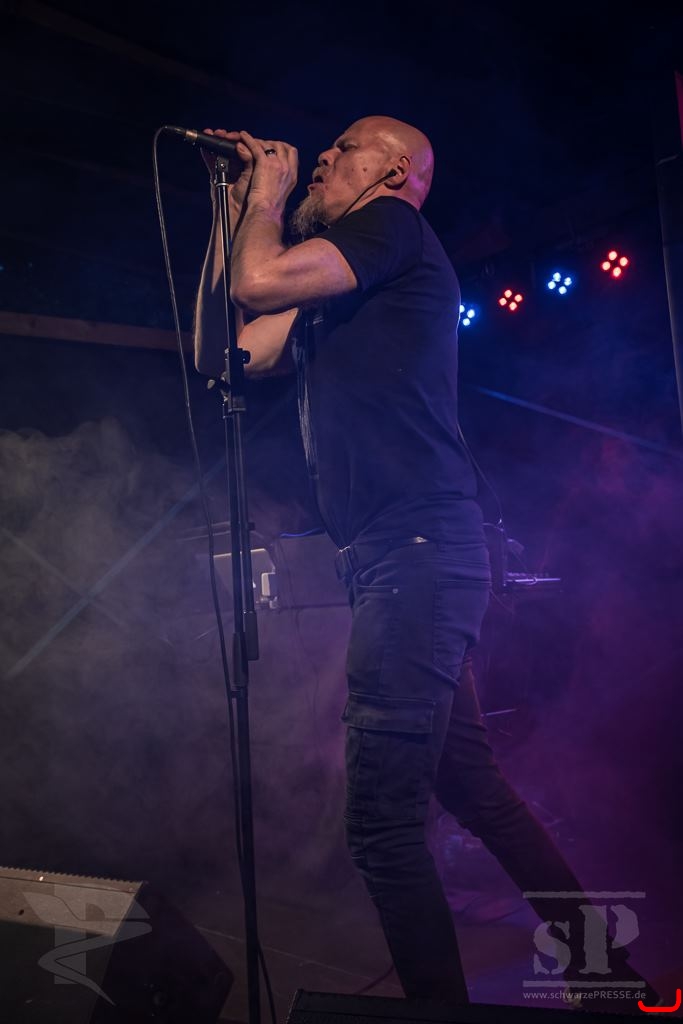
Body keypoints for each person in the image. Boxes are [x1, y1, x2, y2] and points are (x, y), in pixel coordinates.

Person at [193, 116, 657, 1006]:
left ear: (393, 170)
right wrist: (230, 209)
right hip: (403, 559)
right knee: (474, 787)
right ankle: (611, 975)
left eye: (343, 147)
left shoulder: (392, 228)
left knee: (381, 829)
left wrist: (268, 201)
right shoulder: (339, 289)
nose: (321, 156)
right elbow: (221, 352)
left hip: (418, 556)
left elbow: (258, 280)